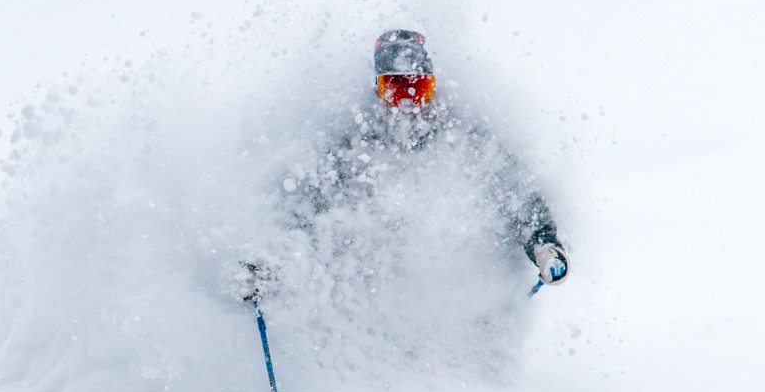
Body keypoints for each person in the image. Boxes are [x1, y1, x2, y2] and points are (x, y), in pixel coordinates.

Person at [238, 29, 569, 304]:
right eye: (395, 89)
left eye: (420, 88)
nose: (410, 102)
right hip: (366, 299)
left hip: (448, 301)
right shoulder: (350, 146)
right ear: (377, 90)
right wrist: (266, 260)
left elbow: (517, 197)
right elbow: (298, 204)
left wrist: (544, 246)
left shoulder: (464, 139)